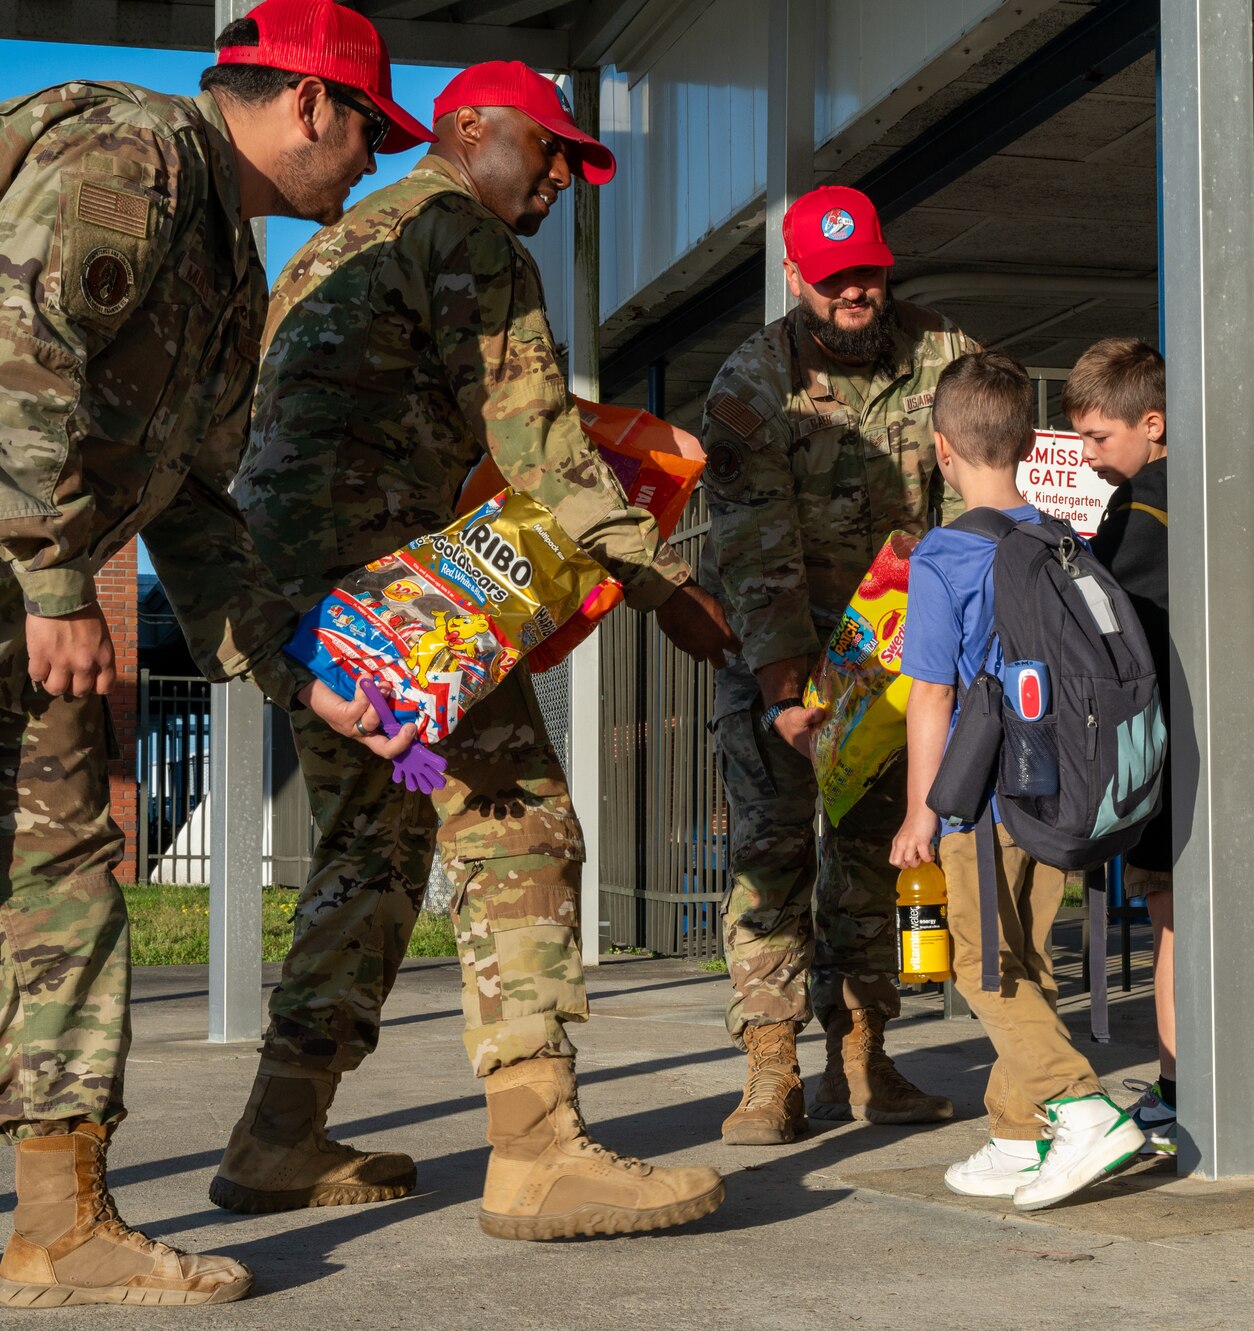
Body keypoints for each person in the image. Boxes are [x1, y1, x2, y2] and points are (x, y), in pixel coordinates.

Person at [216, 60, 735, 1242]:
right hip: (399, 605)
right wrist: (662, 585)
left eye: (572, 161)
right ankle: (540, 1149)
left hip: (309, 612)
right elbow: (542, 445)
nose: (560, 178)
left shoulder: (332, 243)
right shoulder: (466, 234)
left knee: (376, 846)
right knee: (519, 829)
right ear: (467, 130)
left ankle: (277, 1135)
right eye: (547, 149)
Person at [0, 0, 430, 1306]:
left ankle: (60, 1222)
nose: (372, 161)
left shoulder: (231, 268)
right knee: (59, 872)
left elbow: (193, 503)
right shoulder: (134, 157)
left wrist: (305, 674)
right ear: (308, 103)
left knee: (64, 871)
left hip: (33, 580)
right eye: (367, 131)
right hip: (31, 570)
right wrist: (58, 574)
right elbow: (17, 349)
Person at [701, 185, 972, 1144]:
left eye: (867, 271)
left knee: (869, 854)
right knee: (771, 855)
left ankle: (862, 1055)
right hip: (781, 650)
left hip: (894, 659)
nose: (855, 292)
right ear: (795, 278)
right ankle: (769, 1069)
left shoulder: (944, 354)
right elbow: (751, 546)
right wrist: (783, 687)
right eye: (833, 280)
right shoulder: (751, 380)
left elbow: (979, 483)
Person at [1067, 338, 1254, 1155]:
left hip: (1171, 746)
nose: (1087, 456)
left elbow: (1111, 630)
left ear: (1151, 423)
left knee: (1172, 915)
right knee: (1238, 906)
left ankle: (1179, 1089)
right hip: (1228, 738)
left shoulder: (1140, 510)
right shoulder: (1210, 493)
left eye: (1098, 437)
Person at [889, 350, 1144, 1209]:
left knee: (978, 964)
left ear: (941, 448)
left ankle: (1079, 1105)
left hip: (984, 791)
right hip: (1056, 787)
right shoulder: (1055, 535)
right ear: (1031, 447)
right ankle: (1017, 1131)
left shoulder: (943, 554)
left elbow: (932, 693)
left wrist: (924, 809)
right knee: (1024, 957)